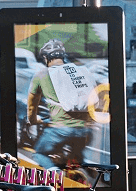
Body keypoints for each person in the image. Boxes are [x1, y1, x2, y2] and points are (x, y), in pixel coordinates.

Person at [26, 39, 97, 171]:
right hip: (85, 132)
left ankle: (57, 174)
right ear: (62, 56)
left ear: (46, 58)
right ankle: (86, 165)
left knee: (40, 153)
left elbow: (31, 106)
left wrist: (33, 120)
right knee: (77, 152)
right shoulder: (79, 71)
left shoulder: (41, 75)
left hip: (60, 131)